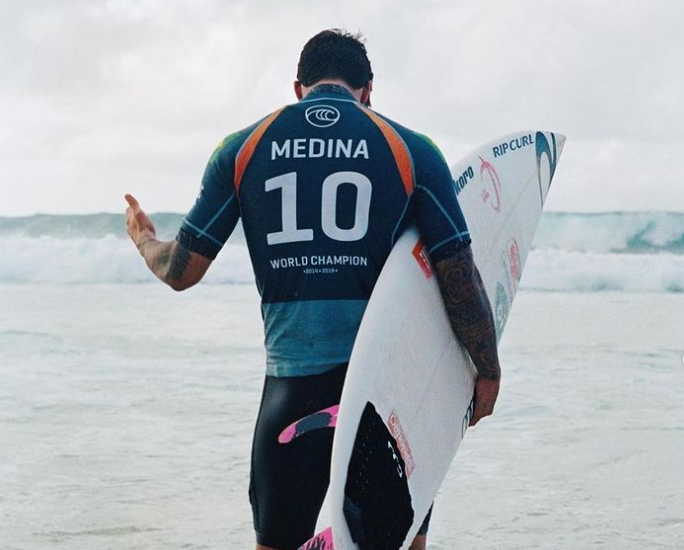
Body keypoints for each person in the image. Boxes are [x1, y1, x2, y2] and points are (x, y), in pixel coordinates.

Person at [125, 29, 501, 550]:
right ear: (368, 90)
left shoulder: (242, 149)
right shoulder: (413, 150)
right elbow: (460, 276)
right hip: (382, 397)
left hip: (291, 393)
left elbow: (180, 271)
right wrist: (486, 368)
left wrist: (144, 239)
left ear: (298, 88)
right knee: (401, 543)